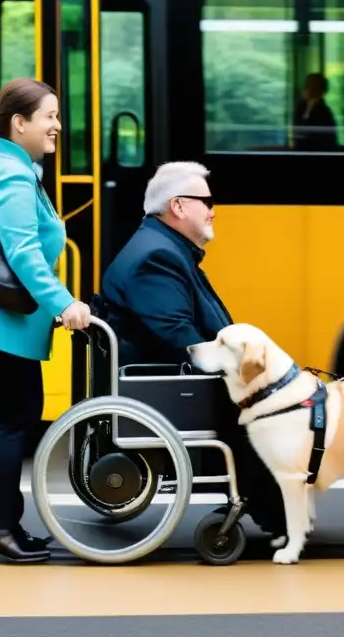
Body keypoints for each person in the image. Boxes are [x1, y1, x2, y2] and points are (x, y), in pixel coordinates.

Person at [95, 161, 287, 537]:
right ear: (179, 206)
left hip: (169, 376)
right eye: (206, 201)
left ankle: (271, 502)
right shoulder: (158, 256)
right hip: (173, 385)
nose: (213, 210)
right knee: (276, 405)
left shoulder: (165, 247)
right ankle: (277, 512)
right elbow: (179, 337)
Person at [0, 77, 92, 564]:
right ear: (20, 124)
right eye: (50, 116)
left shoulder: (2, 167)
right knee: (12, 418)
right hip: (0, 322)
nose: (58, 125)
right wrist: (64, 303)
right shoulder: (13, 177)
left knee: (0, 419)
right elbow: (23, 253)